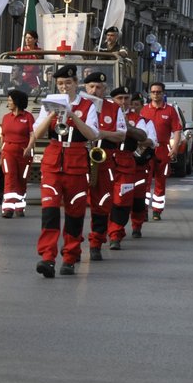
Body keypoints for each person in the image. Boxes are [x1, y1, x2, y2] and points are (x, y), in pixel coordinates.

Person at [28, 64, 98, 278]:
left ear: (76, 84)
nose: (64, 87)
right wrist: (52, 114)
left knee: (74, 214)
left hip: (76, 160)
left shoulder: (88, 105)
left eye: (68, 83)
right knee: (49, 212)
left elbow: (93, 135)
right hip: (53, 160)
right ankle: (47, 258)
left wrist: (73, 116)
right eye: (60, 84)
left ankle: (69, 257)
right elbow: (36, 133)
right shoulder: (49, 104)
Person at [81, 71, 127, 261]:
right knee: (74, 204)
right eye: (91, 87)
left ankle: (96, 242)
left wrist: (101, 134)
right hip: (80, 157)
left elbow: (122, 135)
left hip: (104, 157)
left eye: (99, 87)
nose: (95, 90)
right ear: (85, 88)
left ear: (105, 89)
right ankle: (73, 243)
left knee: (102, 203)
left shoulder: (113, 108)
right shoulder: (78, 106)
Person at [107, 87, 155, 249]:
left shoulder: (139, 120)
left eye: (126, 98)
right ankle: (103, 231)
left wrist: (128, 127)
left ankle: (117, 234)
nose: (123, 102)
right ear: (113, 100)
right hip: (107, 160)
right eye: (119, 98)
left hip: (128, 161)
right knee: (104, 199)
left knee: (125, 199)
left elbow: (148, 139)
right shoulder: (105, 115)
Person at [139, 81, 185, 221]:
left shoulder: (170, 110)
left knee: (160, 180)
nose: (156, 94)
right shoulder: (144, 110)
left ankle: (157, 210)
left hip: (162, 149)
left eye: (158, 92)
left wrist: (175, 148)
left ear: (163, 93)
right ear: (150, 94)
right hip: (146, 149)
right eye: (153, 92)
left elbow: (177, 130)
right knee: (144, 181)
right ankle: (143, 209)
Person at [0, 88, 33, 218]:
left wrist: (29, 148)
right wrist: (1, 153)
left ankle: (19, 206)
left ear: (17, 102)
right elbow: (2, 136)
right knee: (10, 176)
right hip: (8, 151)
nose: (8, 103)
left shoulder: (28, 117)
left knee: (21, 179)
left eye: (10, 100)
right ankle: (8, 207)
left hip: (24, 153)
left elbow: (33, 135)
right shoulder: (6, 117)